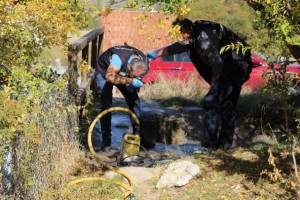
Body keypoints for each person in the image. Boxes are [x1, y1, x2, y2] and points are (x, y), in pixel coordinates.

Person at [147, 18, 253, 151]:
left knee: (211, 101)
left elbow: (217, 62)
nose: (181, 37)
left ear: (187, 30)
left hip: (236, 65)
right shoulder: (193, 34)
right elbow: (177, 47)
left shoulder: (203, 35)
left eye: (182, 33)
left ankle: (208, 146)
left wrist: (213, 84)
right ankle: (224, 147)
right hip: (233, 66)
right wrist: (154, 54)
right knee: (227, 106)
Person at [93, 45, 152, 151]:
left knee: (135, 102)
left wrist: (134, 82)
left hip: (122, 74)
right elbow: (110, 77)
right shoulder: (118, 59)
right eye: (132, 75)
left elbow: (157, 53)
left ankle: (139, 138)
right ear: (129, 67)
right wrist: (130, 81)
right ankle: (106, 142)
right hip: (104, 72)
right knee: (107, 105)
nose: (134, 78)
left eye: (136, 76)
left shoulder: (143, 60)